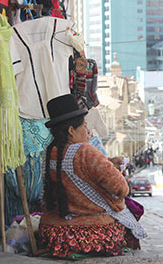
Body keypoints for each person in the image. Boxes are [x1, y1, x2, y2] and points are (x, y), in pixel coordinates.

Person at [39, 94, 147, 258]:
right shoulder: (86, 152)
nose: (88, 131)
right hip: (89, 236)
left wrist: (106, 162)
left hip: (54, 234)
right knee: (127, 215)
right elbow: (121, 188)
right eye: (84, 126)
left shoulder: (49, 153)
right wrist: (112, 168)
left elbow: (75, 173)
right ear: (71, 131)